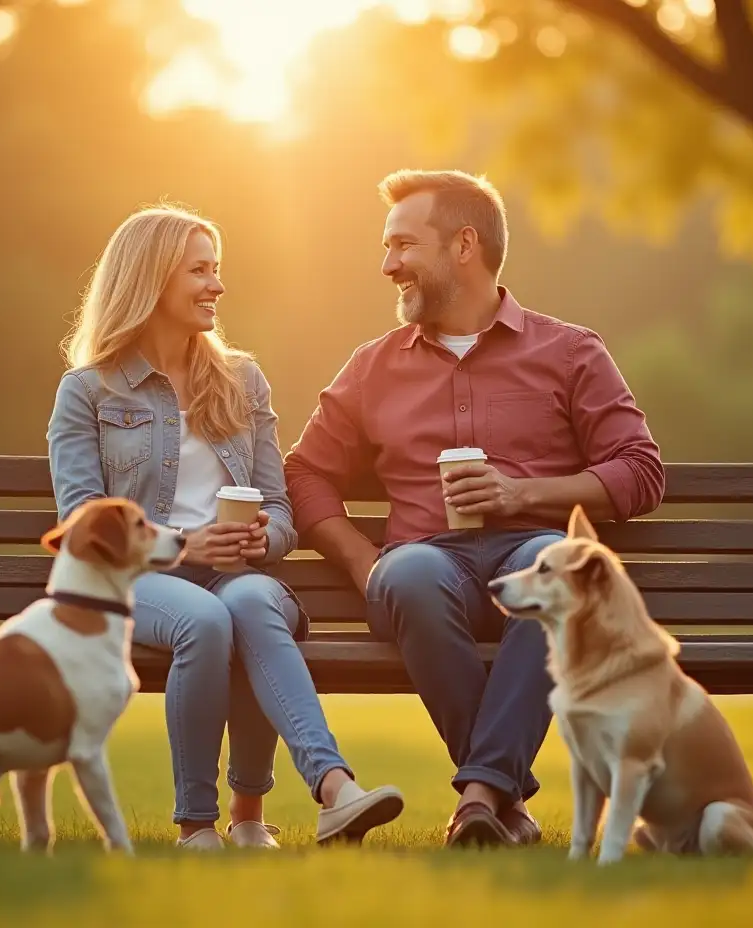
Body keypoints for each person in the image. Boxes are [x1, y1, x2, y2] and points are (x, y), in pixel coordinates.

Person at [283, 170, 665, 848]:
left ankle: (484, 797)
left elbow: (639, 470)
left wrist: (523, 494)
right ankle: (496, 796)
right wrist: (364, 562)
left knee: (559, 575)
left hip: (531, 556)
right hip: (424, 566)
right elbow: (306, 472)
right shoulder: (373, 366)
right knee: (408, 576)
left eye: (403, 245)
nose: (387, 265)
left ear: (464, 245)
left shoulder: (570, 351)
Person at [48, 205, 403, 850]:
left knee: (249, 605)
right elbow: (81, 518)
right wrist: (184, 547)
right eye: (200, 271)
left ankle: (329, 792)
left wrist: (268, 537)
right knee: (204, 619)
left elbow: (280, 503)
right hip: (139, 578)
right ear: (152, 279)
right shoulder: (89, 392)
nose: (217, 285)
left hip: (241, 572)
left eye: (217, 270)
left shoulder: (241, 380)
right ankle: (198, 825)